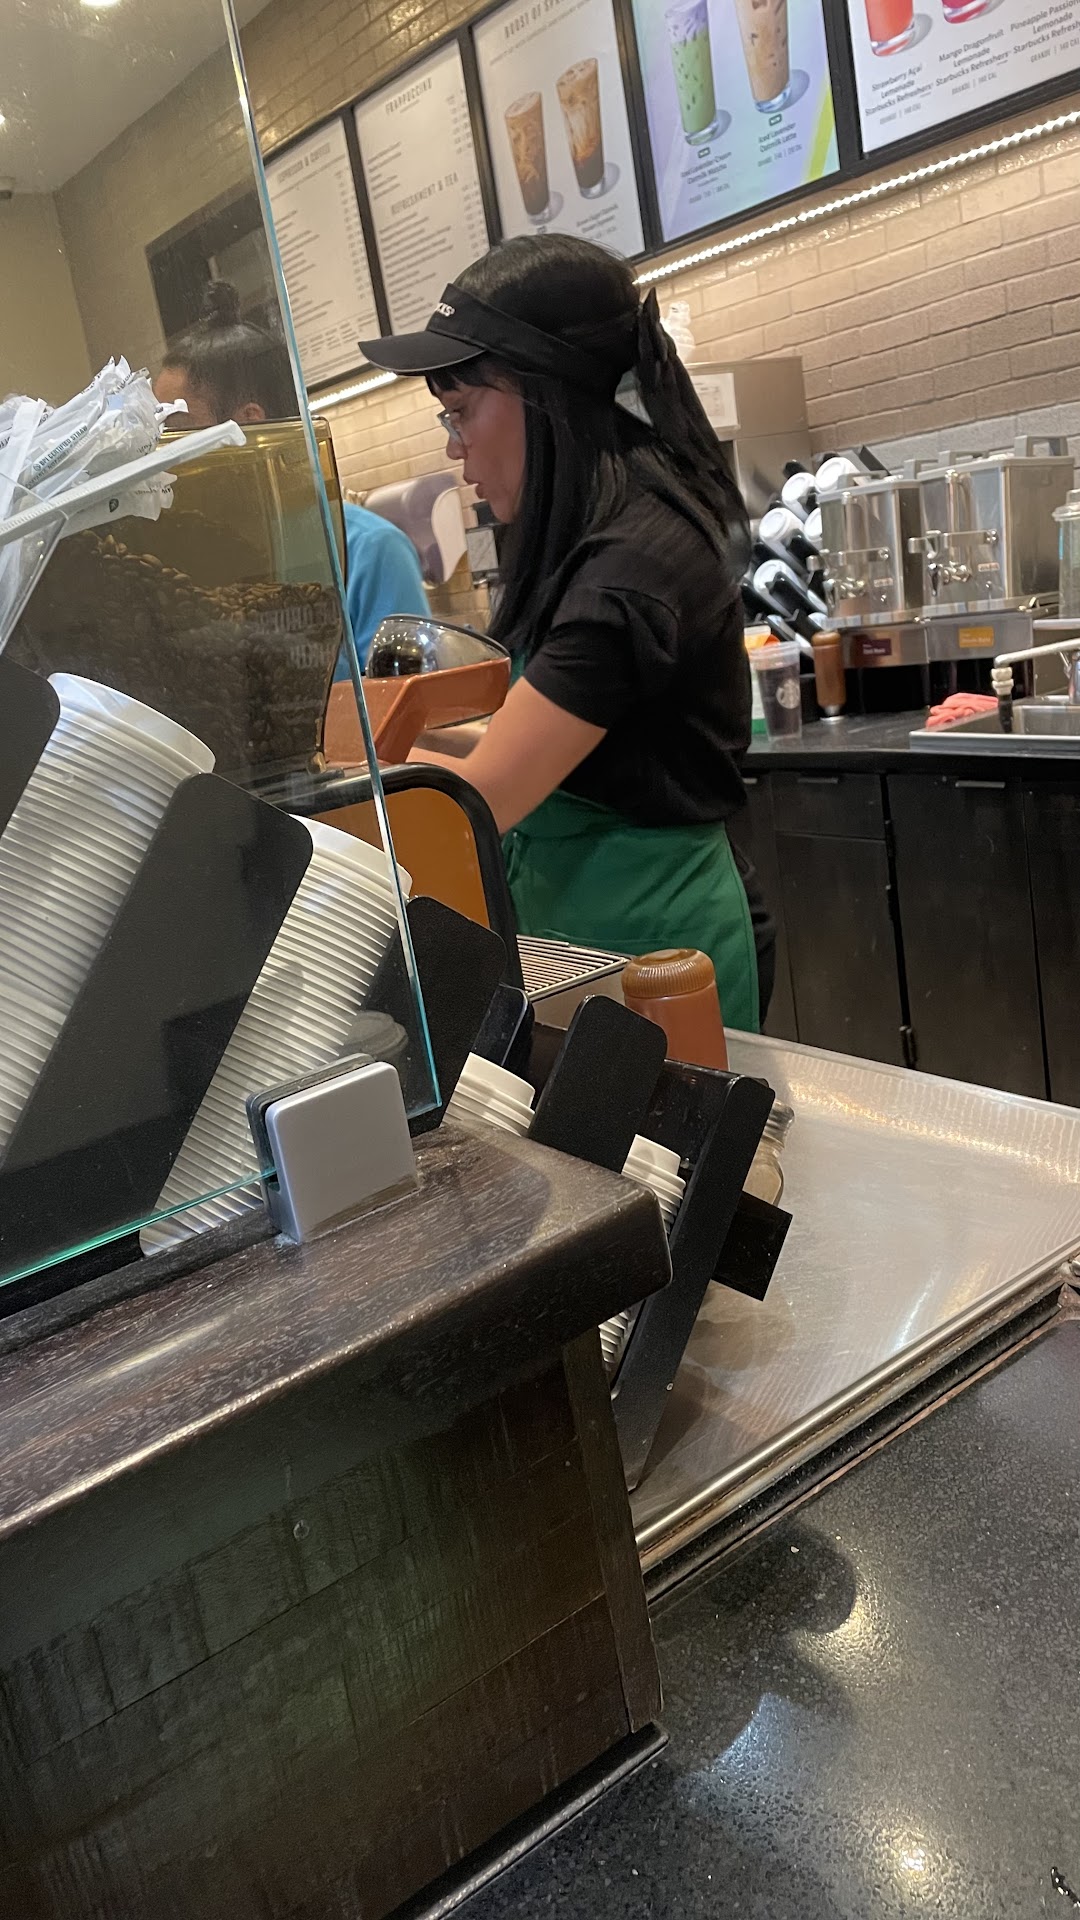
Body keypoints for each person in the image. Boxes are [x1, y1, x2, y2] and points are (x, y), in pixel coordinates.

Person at [360, 235, 774, 1029]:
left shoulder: (630, 573)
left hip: (654, 950)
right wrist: (400, 744)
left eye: (461, 411)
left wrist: (352, 784)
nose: (453, 447)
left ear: (545, 392)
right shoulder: (593, 545)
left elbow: (484, 800)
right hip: (584, 933)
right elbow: (539, 749)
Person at [155, 282, 428, 670]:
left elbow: (405, 700)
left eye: (176, 428)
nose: (161, 451)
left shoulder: (371, 551)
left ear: (248, 426)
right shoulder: (182, 559)